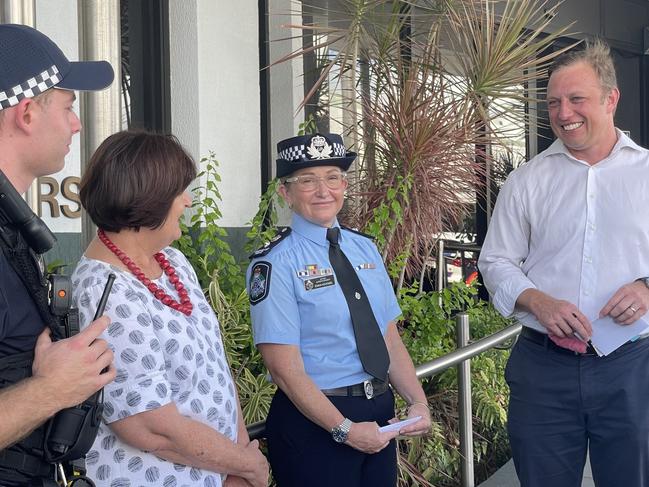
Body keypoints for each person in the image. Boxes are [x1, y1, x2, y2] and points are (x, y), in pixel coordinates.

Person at [478, 39, 649, 487]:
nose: (564, 113)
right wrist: (536, 300)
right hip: (544, 371)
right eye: (555, 102)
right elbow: (496, 260)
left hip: (634, 366)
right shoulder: (527, 180)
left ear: (611, 99)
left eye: (577, 99)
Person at [72, 130, 269, 487]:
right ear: (150, 198)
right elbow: (149, 426)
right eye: (179, 192)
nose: (187, 202)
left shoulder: (173, 262)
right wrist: (248, 464)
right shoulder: (105, 289)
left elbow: (216, 369)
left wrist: (239, 464)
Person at [247, 133, 431, 487]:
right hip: (316, 423)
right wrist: (344, 430)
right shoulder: (274, 263)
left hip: (379, 414)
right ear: (285, 192)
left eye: (332, 177)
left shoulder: (365, 249)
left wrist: (417, 402)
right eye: (308, 180)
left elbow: (388, 339)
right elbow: (283, 369)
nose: (323, 191)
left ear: (344, 185)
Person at [0, 23, 117, 485]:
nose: (77, 123)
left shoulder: (12, 227)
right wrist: (51, 390)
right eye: (68, 105)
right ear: (27, 113)